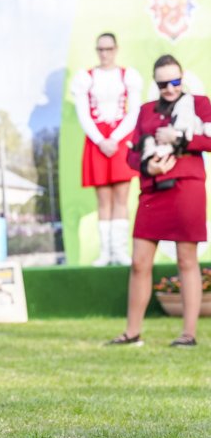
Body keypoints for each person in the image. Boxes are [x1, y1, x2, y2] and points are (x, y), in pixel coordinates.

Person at [108, 54, 210, 348]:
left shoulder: (199, 104)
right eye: (163, 83)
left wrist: (181, 139)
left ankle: (188, 334)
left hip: (186, 188)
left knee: (186, 260)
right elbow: (130, 154)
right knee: (139, 262)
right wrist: (147, 166)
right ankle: (132, 333)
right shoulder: (146, 111)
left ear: (182, 78)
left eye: (175, 81)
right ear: (156, 83)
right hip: (153, 190)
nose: (170, 88)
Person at [70, 33, 142, 266]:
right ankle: (105, 253)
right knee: (103, 199)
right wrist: (101, 140)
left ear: (116, 49)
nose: (104, 54)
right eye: (100, 49)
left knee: (121, 197)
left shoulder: (127, 76)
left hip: (121, 139)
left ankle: (120, 251)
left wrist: (115, 138)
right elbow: (83, 113)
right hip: (97, 141)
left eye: (109, 49)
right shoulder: (86, 78)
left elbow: (134, 111)